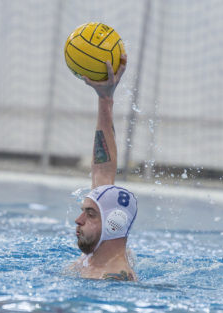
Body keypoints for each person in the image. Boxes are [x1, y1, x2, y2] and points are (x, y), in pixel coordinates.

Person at [72, 54, 138, 281]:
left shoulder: (113, 279)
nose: (78, 220)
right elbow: (102, 169)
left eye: (90, 214)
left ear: (113, 224)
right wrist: (105, 98)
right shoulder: (94, 258)